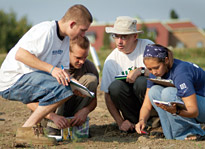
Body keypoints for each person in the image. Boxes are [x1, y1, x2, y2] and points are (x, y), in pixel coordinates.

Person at [0, 4, 93, 146]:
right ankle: (26, 130)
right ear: (72, 24)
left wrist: (76, 85)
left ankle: (32, 131)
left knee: (67, 88)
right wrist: (51, 69)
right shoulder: (46, 30)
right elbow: (21, 55)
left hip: (31, 79)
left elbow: (63, 71)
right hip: (12, 80)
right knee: (62, 88)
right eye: (82, 30)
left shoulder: (66, 40)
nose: (83, 35)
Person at [135, 44, 205, 140]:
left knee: (168, 93)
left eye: (156, 67)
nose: (154, 72)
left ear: (166, 60)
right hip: (193, 106)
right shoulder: (154, 74)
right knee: (154, 92)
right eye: (150, 69)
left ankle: (192, 133)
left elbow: (194, 111)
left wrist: (176, 111)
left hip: (200, 106)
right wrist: (142, 120)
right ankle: (171, 135)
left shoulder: (180, 72)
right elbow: (146, 105)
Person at [100, 16, 154, 132]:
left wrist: (141, 71)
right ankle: (133, 123)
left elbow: (163, 73)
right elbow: (108, 96)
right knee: (115, 86)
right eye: (116, 36)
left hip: (150, 101)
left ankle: (153, 121)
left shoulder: (147, 47)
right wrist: (120, 122)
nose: (119, 41)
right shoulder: (111, 61)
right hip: (130, 105)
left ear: (135, 36)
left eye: (124, 37)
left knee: (141, 82)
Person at [42, 36, 99, 135]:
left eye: (85, 57)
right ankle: (54, 129)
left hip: (71, 111)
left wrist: (85, 111)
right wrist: (52, 116)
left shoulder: (89, 67)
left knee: (91, 79)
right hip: (48, 116)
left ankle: (75, 124)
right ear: (66, 52)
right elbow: (32, 103)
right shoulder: (52, 66)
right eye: (78, 58)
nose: (82, 61)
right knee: (62, 80)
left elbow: (94, 100)